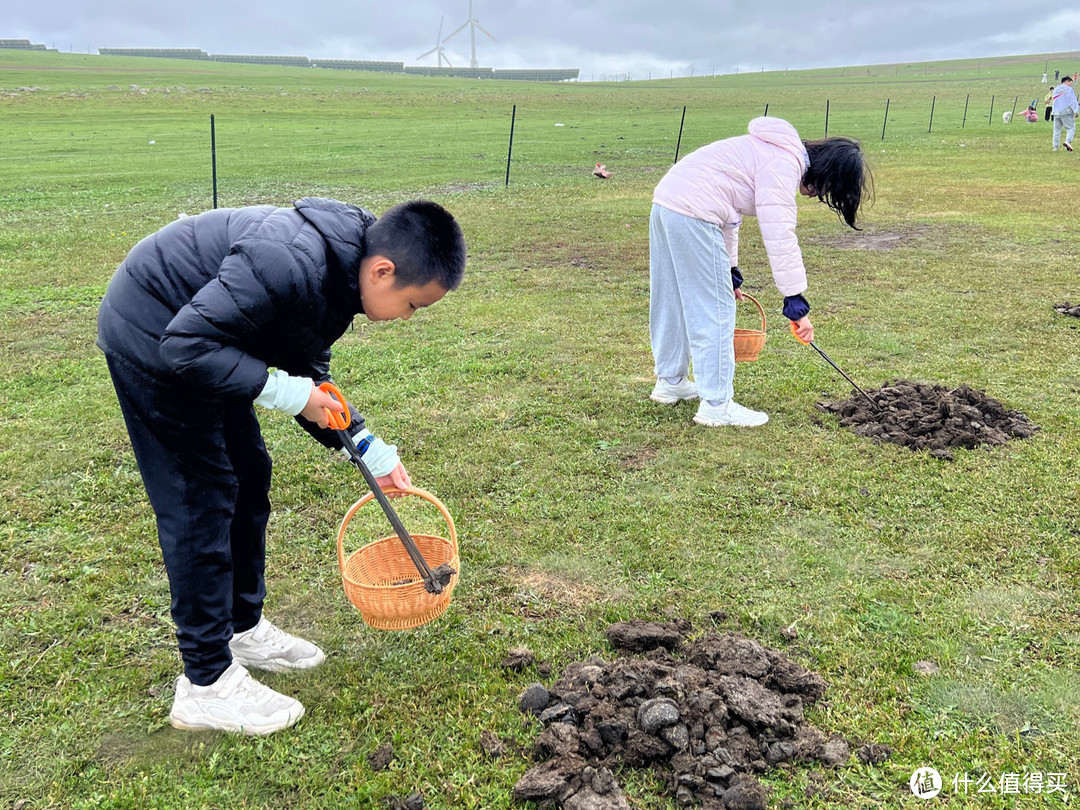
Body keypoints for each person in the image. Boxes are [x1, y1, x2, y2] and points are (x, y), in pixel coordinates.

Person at [97, 198, 466, 734]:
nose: (409, 318)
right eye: (414, 305)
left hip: (213, 345)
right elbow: (184, 345)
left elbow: (306, 369)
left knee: (248, 476)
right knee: (202, 496)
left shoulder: (343, 272)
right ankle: (205, 684)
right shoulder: (290, 260)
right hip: (154, 336)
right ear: (383, 271)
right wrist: (289, 394)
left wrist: (367, 448)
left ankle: (241, 627)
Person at [647, 117, 870, 427]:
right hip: (694, 212)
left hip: (667, 204)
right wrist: (795, 302)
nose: (816, 195)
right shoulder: (783, 164)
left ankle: (670, 381)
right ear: (825, 172)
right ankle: (716, 405)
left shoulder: (767, 151)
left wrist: (731, 270)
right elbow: (780, 235)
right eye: (826, 189)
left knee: (671, 298)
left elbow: (729, 210)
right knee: (715, 309)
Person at [1051, 75, 1078, 151]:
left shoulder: (1056, 89)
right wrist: (1075, 110)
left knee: (1056, 130)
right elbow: (1072, 100)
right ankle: (1068, 141)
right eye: (1070, 83)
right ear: (1067, 81)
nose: (1071, 85)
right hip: (1066, 111)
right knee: (1070, 128)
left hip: (1056, 112)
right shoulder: (1068, 89)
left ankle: (1055, 147)